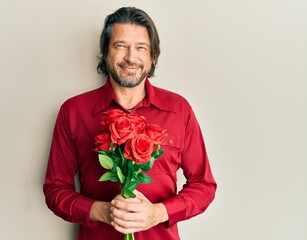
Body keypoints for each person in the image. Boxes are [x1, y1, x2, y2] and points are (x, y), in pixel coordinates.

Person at [43, 6, 217, 240]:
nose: (131, 57)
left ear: (152, 55)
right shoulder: (73, 111)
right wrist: (103, 212)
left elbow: (204, 186)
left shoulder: (179, 110)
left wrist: (158, 213)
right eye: (120, 46)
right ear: (105, 52)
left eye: (141, 48)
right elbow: (55, 191)